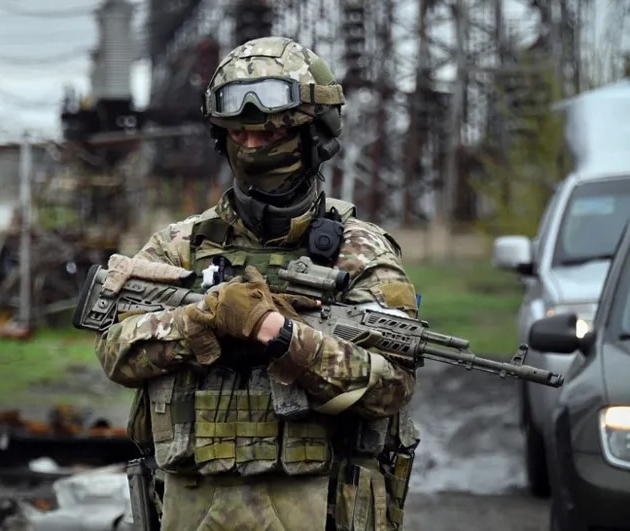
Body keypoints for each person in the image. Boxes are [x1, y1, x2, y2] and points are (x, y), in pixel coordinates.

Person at [94, 36, 421, 531]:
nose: (252, 148)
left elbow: (391, 386)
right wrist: (201, 320)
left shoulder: (362, 253)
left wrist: (282, 336)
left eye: (269, 136)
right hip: (191, 507)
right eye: (239, 136)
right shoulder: (179, 246)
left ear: (315, 134)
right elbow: (115, 349)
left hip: (319, 505)